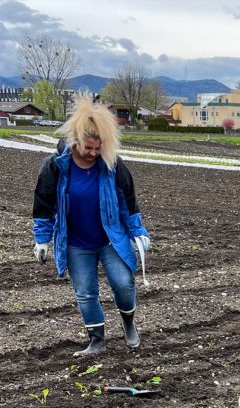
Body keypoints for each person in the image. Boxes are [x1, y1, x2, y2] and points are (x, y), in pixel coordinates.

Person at [31, 97, 151, 357]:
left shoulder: (111, 166)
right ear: (76, 140)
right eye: (89, 148)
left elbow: (127, 203)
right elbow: (43, 204)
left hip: (110, 239)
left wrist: (138, 232)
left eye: (99, 148)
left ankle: (129, 325)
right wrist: (42, 239)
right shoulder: (55, 167)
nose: (94, 153)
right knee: (85, 292)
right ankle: (97, 340)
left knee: (123, 283)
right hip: (76, 243)